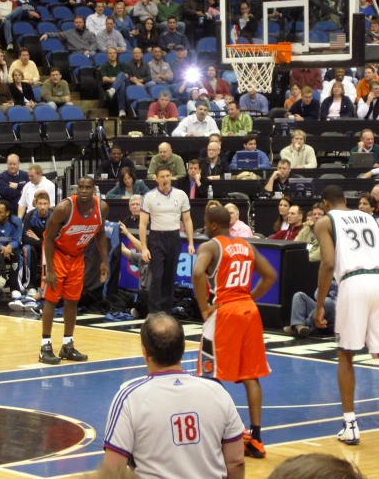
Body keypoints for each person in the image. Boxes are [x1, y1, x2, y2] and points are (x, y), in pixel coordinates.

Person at [313, 184, 379, 452]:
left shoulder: (325, 221)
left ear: (325, 203)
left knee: (346, 354)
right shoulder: (369, 217)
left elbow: (328, 263)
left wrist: (320, 304)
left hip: (354, 281)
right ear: (345, 200)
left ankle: (350, 424)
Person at [103, 312, 246, 478]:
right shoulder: (217, 392)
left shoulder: (129, 399)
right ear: (183, 347)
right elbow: (236, 461)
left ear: (144, 352)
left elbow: (112, 471)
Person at [192, 206, 278, 458]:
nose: (204, 227)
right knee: (251, 376)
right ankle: (257, 437)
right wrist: (248, 297)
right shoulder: (247, 246)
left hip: (225, 312)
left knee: (208, 375)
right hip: (249, 312)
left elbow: (197, 273)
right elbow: (270, 275)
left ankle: (235, 432)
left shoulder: (210, 246)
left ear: (214, 226)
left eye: (206, 223)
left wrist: (203, 307)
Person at [39, 177, 108, 364]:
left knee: (72, 301)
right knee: (52, 300)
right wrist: (50, 270)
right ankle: (45, 346)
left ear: (94, 190)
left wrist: (104, 261)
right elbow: (48, 239)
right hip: (57, 254)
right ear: (77, 189)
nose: (84, 190)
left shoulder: (101, 208)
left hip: (77, 257)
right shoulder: (64, 208)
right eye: (81, 187)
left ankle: (67, 345)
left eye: (88, 187)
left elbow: (100, 234)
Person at [139, 165, 194, 315]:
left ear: (172, 177)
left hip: (174, 237)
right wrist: (144, 247)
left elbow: (187, 220)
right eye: (162, 177)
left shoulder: (181, 195)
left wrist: (190, 242)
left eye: (168, 176)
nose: (165, 179)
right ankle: (154, 312)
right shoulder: (149, 196)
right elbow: (143, 224)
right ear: (156, 179)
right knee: (157, 276)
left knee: (169, 276)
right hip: (156, 238)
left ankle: (166, 311)